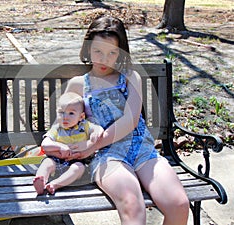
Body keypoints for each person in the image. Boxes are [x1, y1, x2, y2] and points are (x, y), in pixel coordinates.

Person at [62, 15, 190, 225]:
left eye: (112, 53)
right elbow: (67, 124)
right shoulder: (78, 85)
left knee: (178, 204)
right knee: (133, 205)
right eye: (98, 52)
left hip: (142, 149)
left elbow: (130, 120)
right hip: (106, 156)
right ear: (87, 49)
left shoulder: (131, 77)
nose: (104, 59)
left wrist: (92, 144)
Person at [33, 92, 103, 195]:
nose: (65, 117)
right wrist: (60, 146)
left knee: (78, 168)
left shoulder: (85, 126)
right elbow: (45, 144)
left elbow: (97, 128)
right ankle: (41, 180)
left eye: (71, 113)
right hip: (56, 162)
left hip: (77, 164)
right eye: (62, 112)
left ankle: (55, 185)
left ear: (81, 116)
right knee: (47, 163)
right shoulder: (57, 128)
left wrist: (96, 133)